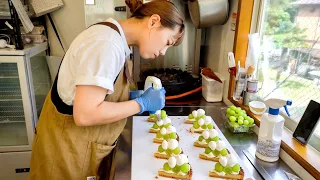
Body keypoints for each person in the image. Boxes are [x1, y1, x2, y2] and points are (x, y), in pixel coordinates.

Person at [28, 0, 185, 179]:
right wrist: (141, 103)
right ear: (153, 21)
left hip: (82, 150)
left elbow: (98, 95)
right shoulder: (106, 44)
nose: (164, 51)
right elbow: (85, 114)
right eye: (167, 42)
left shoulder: (115, 39)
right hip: (66, 154)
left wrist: (130, 97)